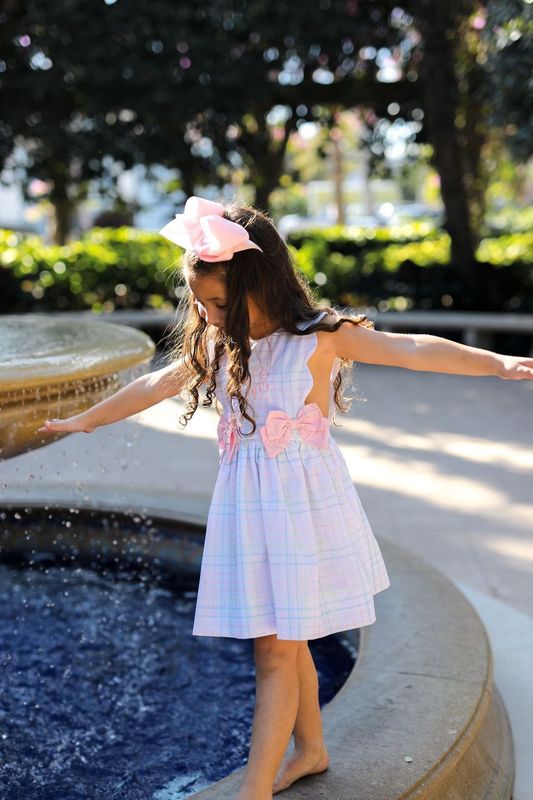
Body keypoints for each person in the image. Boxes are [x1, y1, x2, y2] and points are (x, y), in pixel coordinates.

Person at [38, 195, 533, 799]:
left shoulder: (318, 337)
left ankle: (253, 790)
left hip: (302, 507)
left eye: (219, 302)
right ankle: (312, 749)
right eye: (199, 301)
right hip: (250, 508)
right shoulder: (221, 344)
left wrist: (498, 363)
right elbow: (154, 383)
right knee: (282, 633)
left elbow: (414, 348)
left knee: (274, 652)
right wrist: (87, 419)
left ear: (261, 282)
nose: (207, 312)